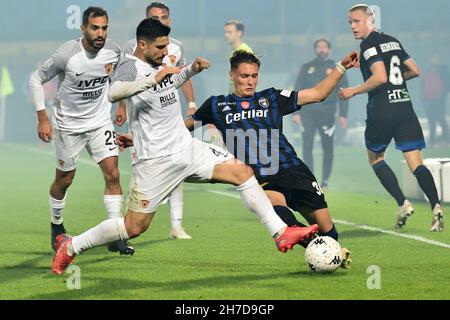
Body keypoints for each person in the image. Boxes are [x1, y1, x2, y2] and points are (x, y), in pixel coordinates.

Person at [51, 18, 319, 275]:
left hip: (186, 147)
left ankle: (281, 233)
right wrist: (154, 79)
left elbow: (168, 84)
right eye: (160, 47)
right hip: (156, 161)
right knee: (134, 227)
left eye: (166, 46)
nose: (166, 51)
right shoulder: (130, 66)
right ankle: (72, 245)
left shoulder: (159, 64)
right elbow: (113, 93)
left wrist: (190, 70)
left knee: (243, 173)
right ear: (142, 45)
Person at [183, 50, 357, 269]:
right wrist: (143, 139)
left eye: (254, 76)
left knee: (328, 230)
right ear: (232, 75)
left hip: (294, 170)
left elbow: (317, 94)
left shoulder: (272, 98)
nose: (250, 81)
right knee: (280, 213)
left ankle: (327, 250)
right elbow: (185, 127)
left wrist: (341, 67)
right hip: (263, 178)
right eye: (244, 76)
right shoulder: (217, 105)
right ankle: (321, 253)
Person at [28, 6, 134, 254]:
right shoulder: (67, 54)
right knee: (65, 179)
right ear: (83, 28)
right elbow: (35, 79)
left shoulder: (113, 51)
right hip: (68, 127)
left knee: (113, 174)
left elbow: (119, 79)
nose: (100, 33)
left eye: (104, 28)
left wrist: (120, 106)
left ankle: (115, 233)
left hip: (99, 122)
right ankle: (56, 227)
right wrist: (43, 118)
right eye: (95, 28)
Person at [339, 4, 444, 231]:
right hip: (404, 106)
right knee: (416, 163)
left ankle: (402, 203)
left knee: (375, 158)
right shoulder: (392, 40)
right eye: (349, 22)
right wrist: (397, 83)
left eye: (356, 21)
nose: (352, 26)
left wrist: (353, 90)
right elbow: (415, 70)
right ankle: (436, 208)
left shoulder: (367, 45)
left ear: (370, 19)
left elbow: (380, 77)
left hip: (382, 109)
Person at [118, 2, 196, 240]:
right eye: (155, 18)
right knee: (141, 171)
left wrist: (191, 104)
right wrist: (121, 106)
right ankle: (123, 225)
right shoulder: (132, 47)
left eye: (164, 17)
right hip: (142, 117)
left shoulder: (177, 47)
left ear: (170, 21)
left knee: (179, 163)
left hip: (167, 114)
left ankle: (176, 224)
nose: (161, 21)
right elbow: (123, 80)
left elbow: (181, 75)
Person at [292, 39, 350, 190]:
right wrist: (295, 112)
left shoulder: (337, 68)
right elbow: (297, 90)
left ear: (329, 49)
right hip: (308, 113)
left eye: (324, 47)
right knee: (307, 146)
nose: (321, 49)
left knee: (328, 148)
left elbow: (344, 92)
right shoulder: (307, 67)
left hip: (328, 113)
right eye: (319, 47)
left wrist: (343, 115)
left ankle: (324, 182)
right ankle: (311, 180)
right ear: (315, 49)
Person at [422, 54, 449, 146]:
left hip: (439, 99)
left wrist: (442, 96)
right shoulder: (428, 70)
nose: (434, 60)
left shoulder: (443, 70)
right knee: (431, 121)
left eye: (436, 58)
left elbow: (446, 84)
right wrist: (423, 97)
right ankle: (432, 141)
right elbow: (424, 84)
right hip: (428, 100)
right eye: (433, 58)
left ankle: (446, 139)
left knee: (441, 119)